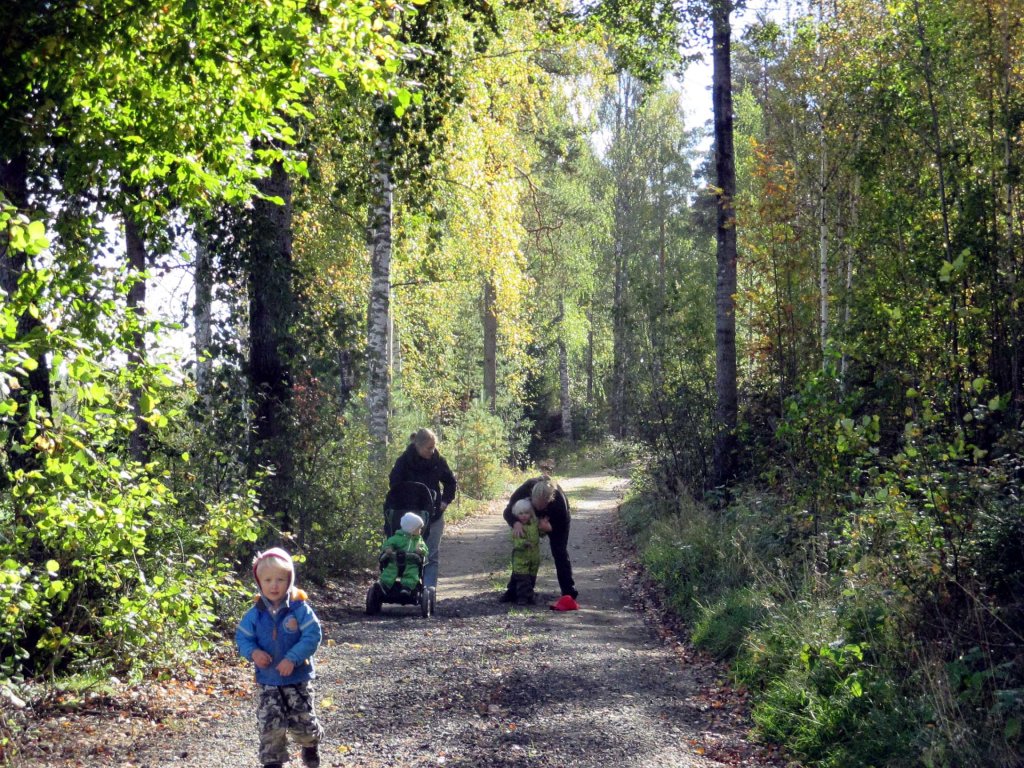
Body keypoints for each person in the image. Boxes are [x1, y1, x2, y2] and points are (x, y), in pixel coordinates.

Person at [236, 548, 324, 768]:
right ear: (259, 582)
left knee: (303, 721)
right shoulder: (255, 613)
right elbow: (243, 638)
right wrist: (253, 653)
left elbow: (313, 635)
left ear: (289, 580)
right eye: (268, 580)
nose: (274, 585)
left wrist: (293, 658)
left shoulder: (299, 609)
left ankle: (309, 747)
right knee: (270, 724)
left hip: (297, 678)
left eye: (280, 579)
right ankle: (273, 761)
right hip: (268, 680)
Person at [388, 428, 457, 590]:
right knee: (406, 553)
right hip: (408, 517)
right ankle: (403, 585)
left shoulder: (438, 461)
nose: (432, 451)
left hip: (433, 515)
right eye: (429, 448)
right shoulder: (404, 461)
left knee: (431, 555)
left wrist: (445, 501)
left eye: (434, 447)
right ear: (418, 446)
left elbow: (450, 482)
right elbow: (394, 485)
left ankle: (428, 590)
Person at [502, 475, 578, 609]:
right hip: (528, 520)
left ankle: (568, 591)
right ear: (531, 496)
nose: (539, 508)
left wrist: (550, 528)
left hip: (554, 521)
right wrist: (515, 523)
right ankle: (513, 591)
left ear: (549, 500)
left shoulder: (559, 503)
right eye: (536, 504)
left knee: (559, 551)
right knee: (522, 553)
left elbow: (561, 525)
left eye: (542, 506)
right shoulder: (524, 491)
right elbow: (507, 511)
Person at [499, 498, 546, 604]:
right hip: (520, 559)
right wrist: (524, 543)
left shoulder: (534, 524)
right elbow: (516, 542)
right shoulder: (517, 527)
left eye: (526, 513)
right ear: (516, 514)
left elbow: (541, 534)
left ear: (531, 513)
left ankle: (528, 595)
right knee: (522, 579)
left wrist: (544, 529)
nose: (524, 516)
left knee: (531, 578)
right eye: (521, 513)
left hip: (534, 558)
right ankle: (522, 598)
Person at [378, 512, 429, 596]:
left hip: (411, 563)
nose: (420, 531)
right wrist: (388, 548)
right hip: (395, 562)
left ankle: (407, 588)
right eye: (418, 529)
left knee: (412, 573)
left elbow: (425, 549)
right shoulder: (397, 538)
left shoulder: (418, 540)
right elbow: (388, 543)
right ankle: (384, 586)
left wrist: (421, 550)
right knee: (389, 571)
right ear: (411, 528)